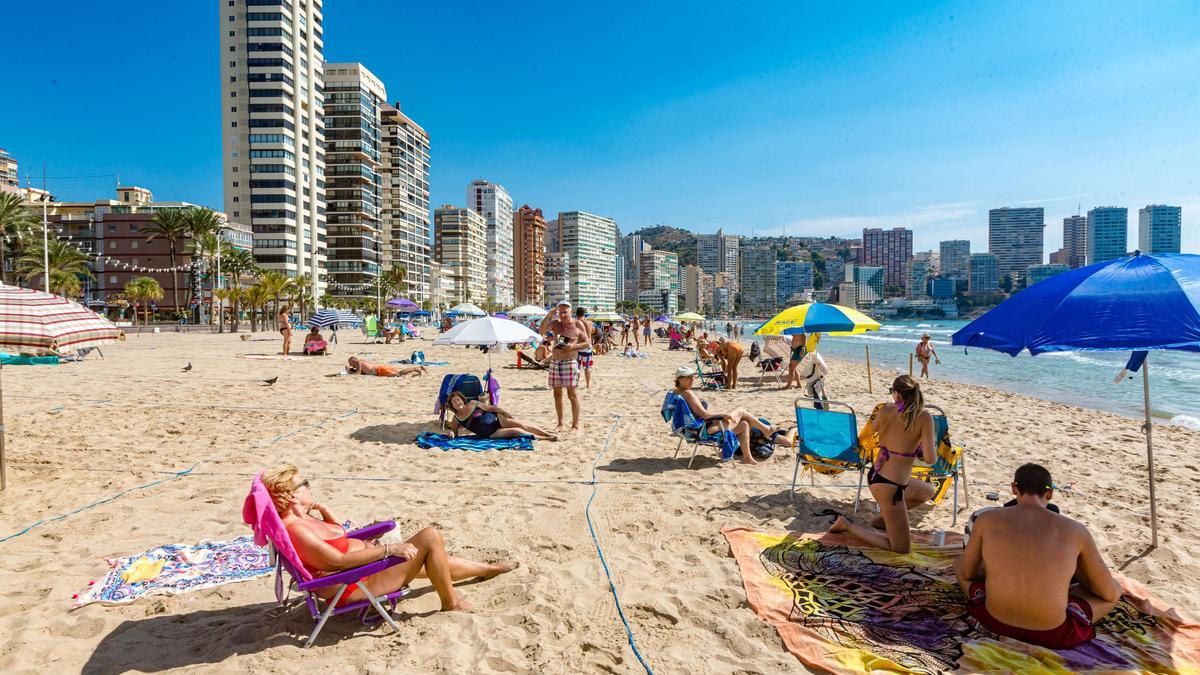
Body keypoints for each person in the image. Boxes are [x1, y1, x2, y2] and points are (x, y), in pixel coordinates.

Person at [262, 465, 516, 613]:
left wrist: (323, 508)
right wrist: (387, 550)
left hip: (362, 571)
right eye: (303, 484)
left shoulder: (303, 518)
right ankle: (451, 603)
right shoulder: (296, 529)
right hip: (352, 584)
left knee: (433, 557)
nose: (308, 486)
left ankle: (488, 569)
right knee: (430, 537)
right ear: (291, 495)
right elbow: (336, 561)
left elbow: (338, 534)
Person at [953, 463, 1121, 649]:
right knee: (1113, 592)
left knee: (959, 563)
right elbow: (1109, 593)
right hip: (1052, 633)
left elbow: (968, 573)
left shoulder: (986, 519)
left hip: (994, 620)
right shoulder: (1075, 530)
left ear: (1014, 488)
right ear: (1049, 494)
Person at [830, 375, 937, 552]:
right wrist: (916, 449)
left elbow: (874, 431)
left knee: (928, 492)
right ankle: (846, 526)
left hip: (879, 475)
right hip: (890, 487)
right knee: (901, 548)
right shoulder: (924, 417)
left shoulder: (885, 410)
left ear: (896, 393)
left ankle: (882, 520)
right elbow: (931, 459)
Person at [672, 366, 795, 464]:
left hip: (692, 429)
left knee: (744, 424)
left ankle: (747, 457)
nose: (692, 380)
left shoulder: (675, 393)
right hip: (702, 430)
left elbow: (697, 414)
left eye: (693, 377)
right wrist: (722, 414)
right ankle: (766, 429)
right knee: (740, 410)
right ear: (680, 379)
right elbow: (704, 415)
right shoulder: (687, 393)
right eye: (689, 377)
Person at [544, 301, 590, 431]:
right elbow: (542, 330)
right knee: (557, 394)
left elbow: (587, 343)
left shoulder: (578, 324)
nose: (563, 314)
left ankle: (575, 425)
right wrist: (549, 315)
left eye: (565, 312)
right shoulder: (555, 324)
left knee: (572, 394)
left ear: (571, 311)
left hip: (570, 361)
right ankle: (560, 423)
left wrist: (573, 346)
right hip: (555, 362)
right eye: (561, 312)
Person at [446, 391, 558, 441]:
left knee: (523, 425)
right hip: (491, 433)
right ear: (452, 406)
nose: (457, 403)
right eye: (454, 402)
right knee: (516, 430)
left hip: (499, 420)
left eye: (458, 400)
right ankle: (545, 438)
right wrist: (451, 433)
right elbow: (455, 434)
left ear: (462, 400)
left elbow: (491, 408)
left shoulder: (473, 403)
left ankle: (547, 433)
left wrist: (504, 412)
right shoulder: (456, 419)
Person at [343, 356, 426, 378]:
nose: (350, 365)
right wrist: (351, 370)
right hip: (380, 369)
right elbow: (360, 371)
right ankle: (417, 369)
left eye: (350, 363)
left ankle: (417, 369)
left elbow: (357, 373)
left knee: (399, 374)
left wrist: (348, 371)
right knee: (399, 374)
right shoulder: (360, 361)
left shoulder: (358, 362)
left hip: (380, 371)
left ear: (353, 361)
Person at [574, 307, 596, 389]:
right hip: (587, 347)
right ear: (584, 314)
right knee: (587, 367)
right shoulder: (589, 323)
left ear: (576, 314)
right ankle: (588, 385)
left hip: (579, 346)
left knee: (577, 367)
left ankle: (576, 384)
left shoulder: (576, 322)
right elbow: (593, 331)